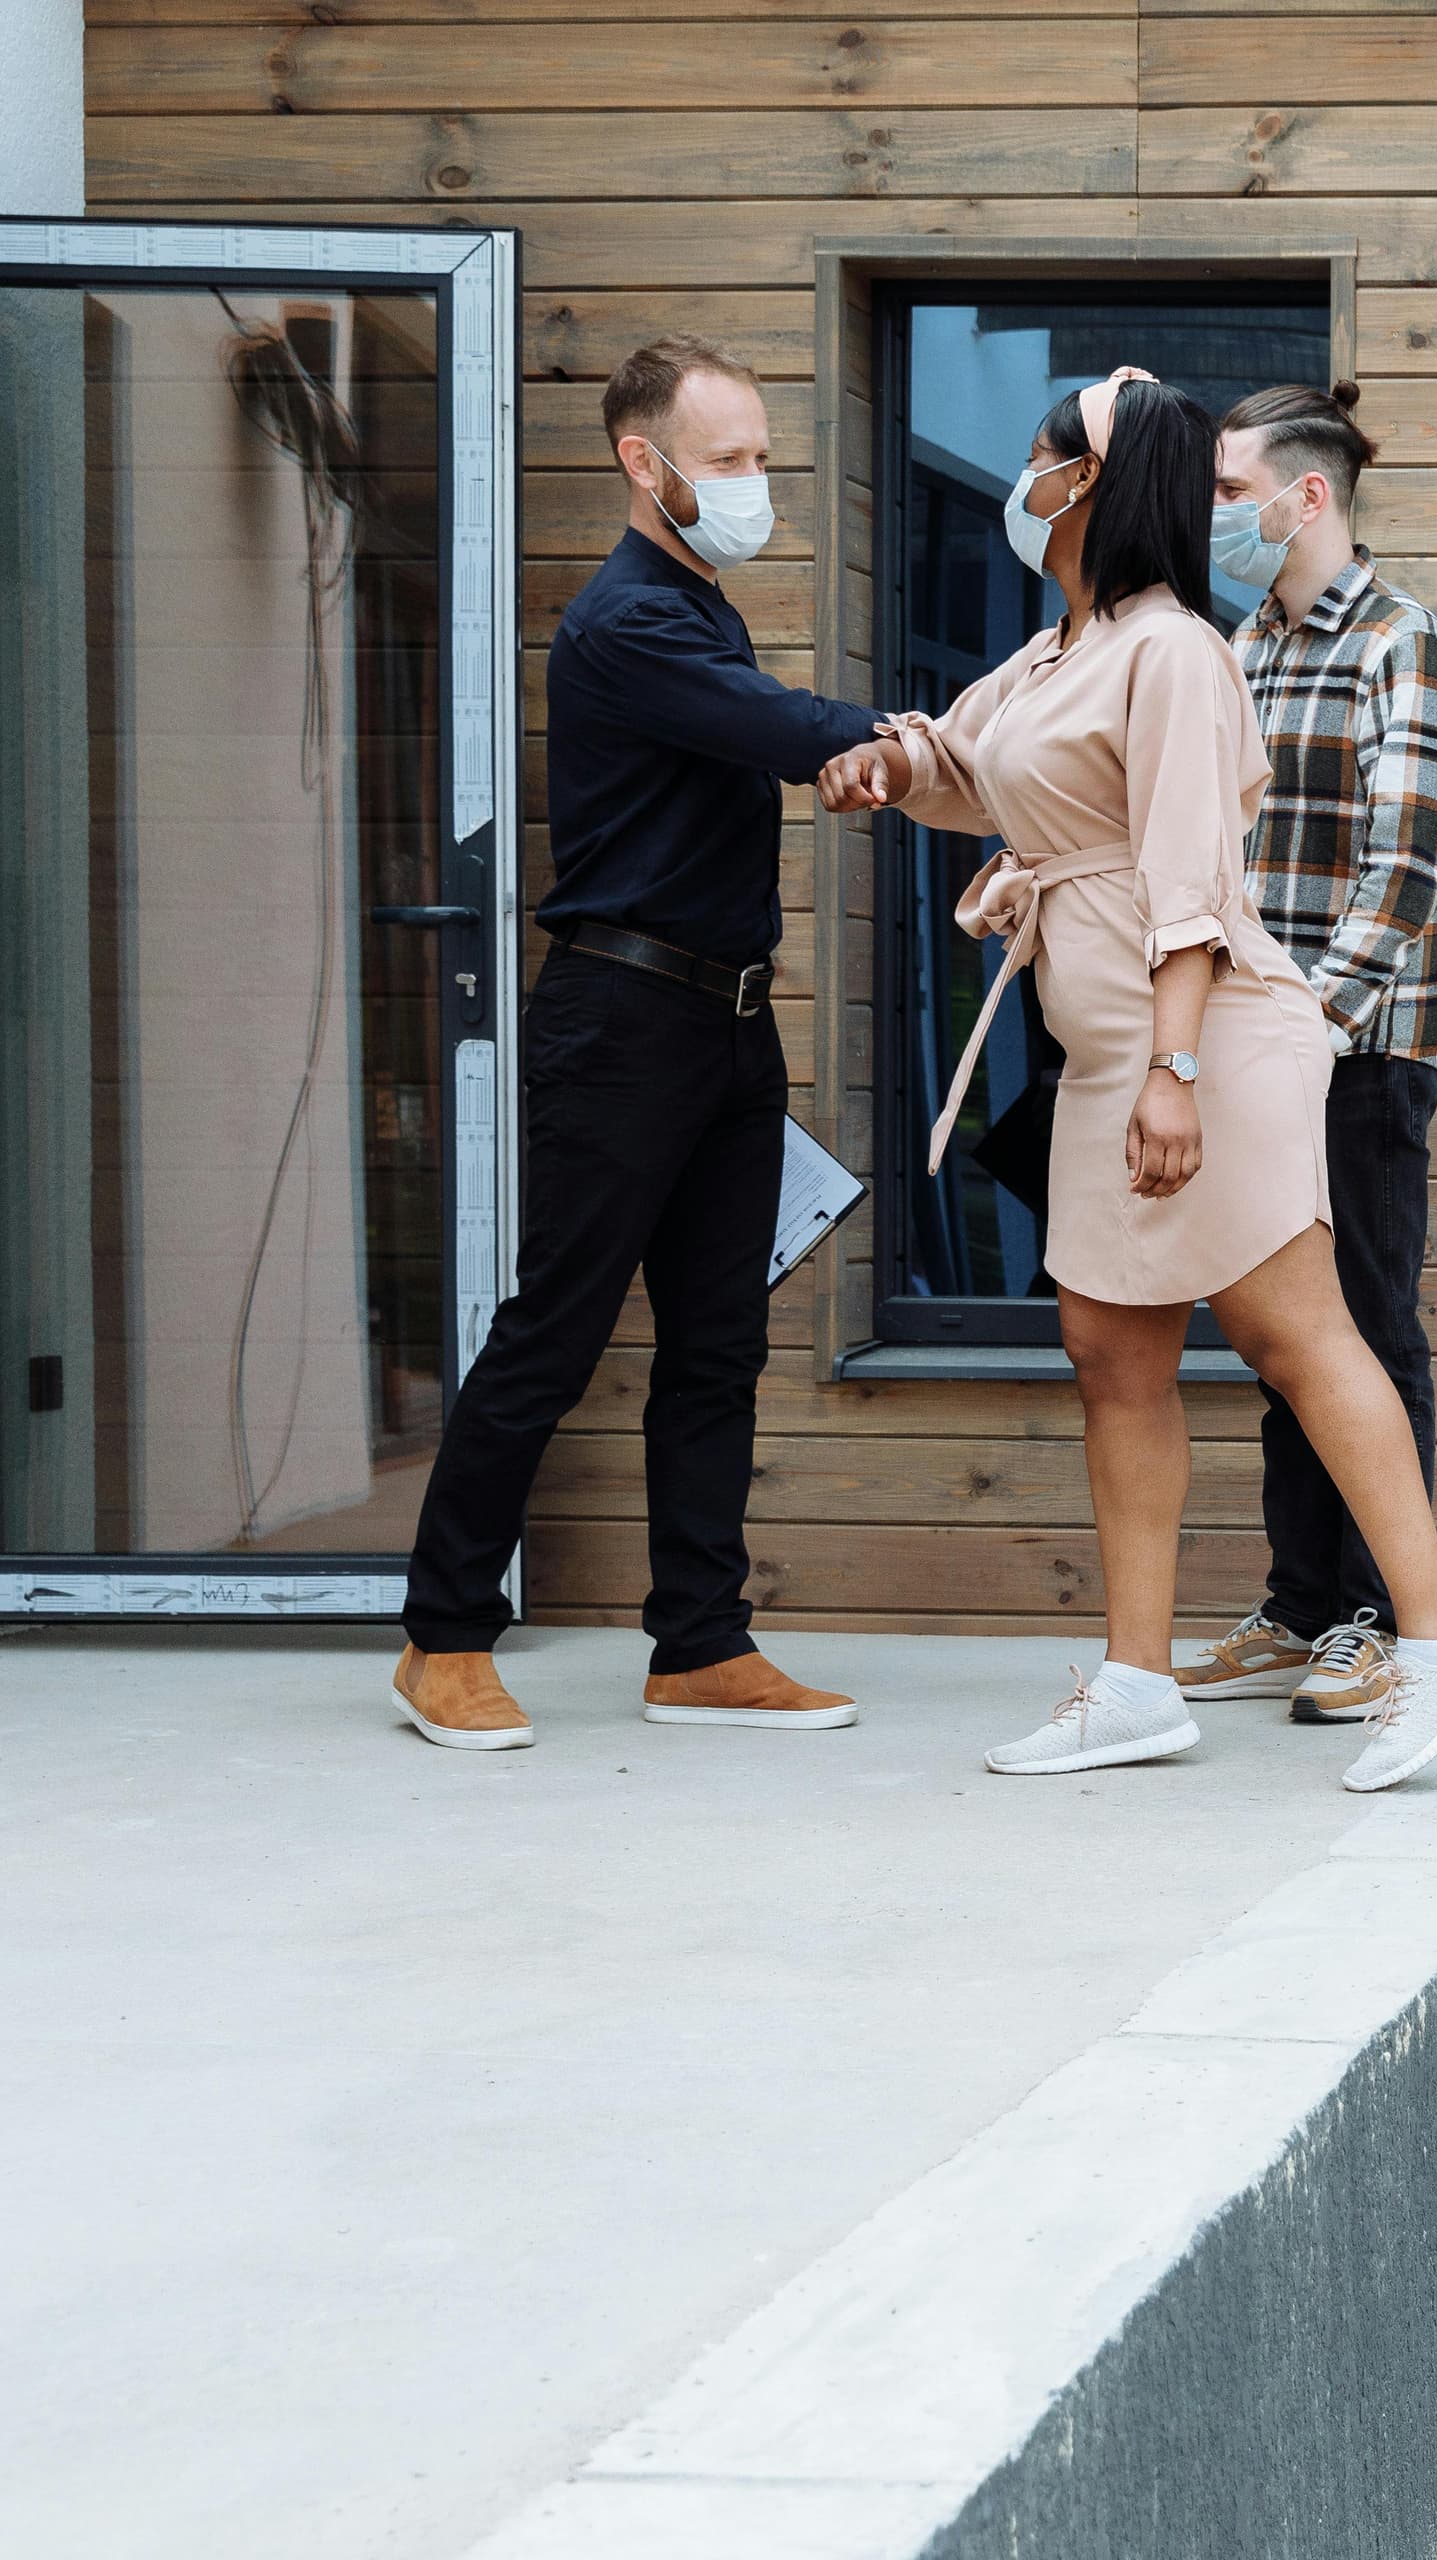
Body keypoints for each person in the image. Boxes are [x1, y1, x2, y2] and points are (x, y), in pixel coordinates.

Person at [814, 369, 1437, 1790]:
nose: (1020, 483)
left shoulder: (1176, 650)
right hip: (1104, 1054)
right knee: (1109, 1353)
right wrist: (887, 763)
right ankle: (1136, 1683)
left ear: (1086, 483)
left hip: (1200, 1041)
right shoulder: (1056, 653)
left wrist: (1175, 1071)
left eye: (1039, 459)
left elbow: (1193, 874)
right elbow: (968, 768)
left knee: (1296, 1333)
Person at [389, 334, 883, 1752]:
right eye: (727, 460)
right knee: (553, 1333)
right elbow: (780, 728)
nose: (753, 484)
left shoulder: (699, 607)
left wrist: (845, 750)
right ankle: (441, 1640)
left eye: (762, 458)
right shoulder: (629, 621)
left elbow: (770, 737)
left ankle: (701, 1646)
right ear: (642, 461)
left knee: (718, 1347)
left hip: (729, 1022)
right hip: (621, 1022)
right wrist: (903, 738)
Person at [1174, 384, 1437, 1730]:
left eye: (1230, 490)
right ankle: (1300, 1607)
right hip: (1253, 1052)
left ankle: (1381, 1620)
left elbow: (1402, 874)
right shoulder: (1242, 645)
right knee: (1287, 1341)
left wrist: (1304, 1031)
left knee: (1369, 1329)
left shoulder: (1405, 641)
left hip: (1357, 1055)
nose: (1214, 512)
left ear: (1308, 496)